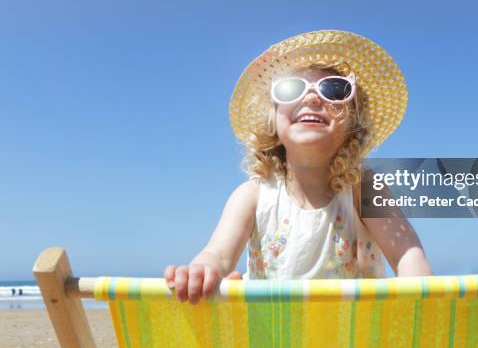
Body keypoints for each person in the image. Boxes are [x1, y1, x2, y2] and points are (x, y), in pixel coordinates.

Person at [165, 30, 432, 304]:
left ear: (353, 123)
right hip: (276, 338)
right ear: (273, 119)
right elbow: (218, 255)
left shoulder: (363, 190)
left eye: (334, 89)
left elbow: (407, 255)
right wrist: (202, 270)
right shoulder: (253, 195)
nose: (313, 98)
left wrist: (421, 304)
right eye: (292, 88)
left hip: (352, 336)